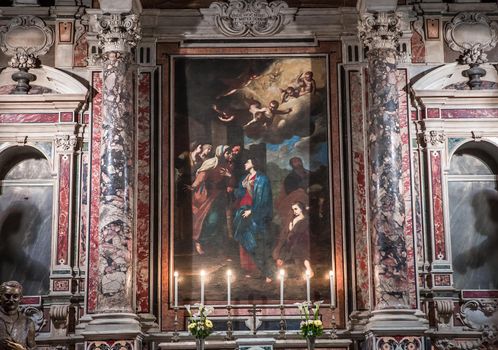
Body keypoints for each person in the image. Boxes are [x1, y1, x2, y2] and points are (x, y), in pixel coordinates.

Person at [233, 157, 275, 283]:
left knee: (257, 244)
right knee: (247, 241)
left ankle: (268, 273)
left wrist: (251, 211)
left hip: (255, 214)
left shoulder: (262, 179)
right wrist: (236, 190)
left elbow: (265, 200)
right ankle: (253, 270)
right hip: (242, 212)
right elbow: (240, 194)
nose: (245, 163)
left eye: (248, 161)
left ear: (254, 163)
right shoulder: (244, 178)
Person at [190, 145, 233, 255]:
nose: (230, 155)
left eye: (230, 153)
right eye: (228, 153)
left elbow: (232, 184)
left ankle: (213, 246)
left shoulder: (228, 166)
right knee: (210, 221)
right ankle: (199, 241)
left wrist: (229, 176)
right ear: (221, 153)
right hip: (209, 196)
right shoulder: (212, 162)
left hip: (220, 197)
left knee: (219, 222)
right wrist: (194, 186)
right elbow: (201, 176)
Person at [274, 202, 313, 277]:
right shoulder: (295, 219)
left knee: (299, 254)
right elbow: (292, 233)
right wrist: (291, 231)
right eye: (293, 209)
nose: (294, 211)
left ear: (301, 209)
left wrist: (291, 230)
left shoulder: (305, 220)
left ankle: (309, 271)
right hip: (293, 241)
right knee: (286, 253)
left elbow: (297, 233)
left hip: (299, 241)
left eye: (296, 209)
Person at [0, 281, 36, 350]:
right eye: (7, 296)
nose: (11, 300)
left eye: (15, 296)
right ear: (0, 297)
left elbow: (33, 348)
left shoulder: (28, 323)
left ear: (20, 298)